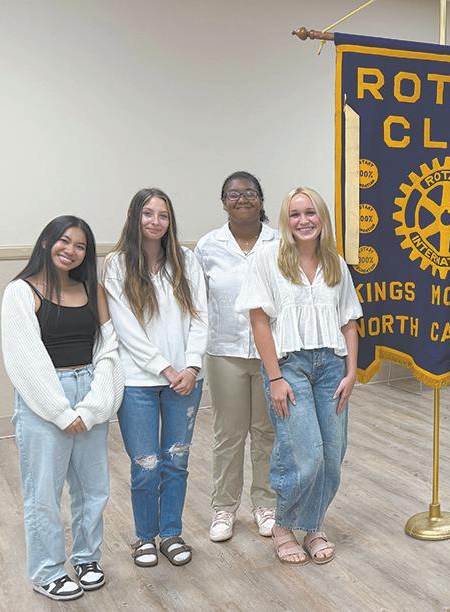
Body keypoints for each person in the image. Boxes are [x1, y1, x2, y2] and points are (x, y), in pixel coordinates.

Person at [236, 186, 362, 565]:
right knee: (304, 454)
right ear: (285, 220)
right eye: (295, 214)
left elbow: (349, 321)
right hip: (288, 367)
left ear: (322, 218)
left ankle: (313, 525)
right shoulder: (268, 259)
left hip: (332, 367)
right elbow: (259, 321)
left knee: (332, 454)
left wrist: (352, 372)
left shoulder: (335, 264)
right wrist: (275, 378)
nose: (303, 220)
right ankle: (283, 526)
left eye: (310, 213)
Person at [1, 216, 124, 601]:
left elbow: (108, 348)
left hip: (90, 392)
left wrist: (94, 406)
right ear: (46, 242)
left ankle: (87, 558)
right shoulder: (20, 291)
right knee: (43, 493)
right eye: (64, 241)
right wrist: (60, 411)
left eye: (81, 246)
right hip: (44, 398)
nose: (71, 250)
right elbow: (25, 359)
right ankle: (47, 571)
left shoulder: (92, 289)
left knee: (93, 489)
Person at [103, 188, 208, 568]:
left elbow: (201, 316)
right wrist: (165, 368)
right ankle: (145, 537)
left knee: (176, 461)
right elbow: (125, 328)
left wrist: (192, 367)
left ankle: (171, 533)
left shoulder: (186, 260)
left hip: (185, 381)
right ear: (135, 217)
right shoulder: (116, 264)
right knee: (146, 464)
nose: (156, 221)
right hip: (138, 383)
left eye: (163, 215)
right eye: (148, 213)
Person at [195, 171, 280, 542]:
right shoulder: (207, 247)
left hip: (271, 352)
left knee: (266, 432)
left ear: (261, 199)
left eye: (249, 192)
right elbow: (197, 302)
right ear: (223, 201)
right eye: (233, 193)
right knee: (228, 434)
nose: (242, 199)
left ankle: (266, 504)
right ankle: (224, 508)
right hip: (224, 351)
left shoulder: (281, 243)